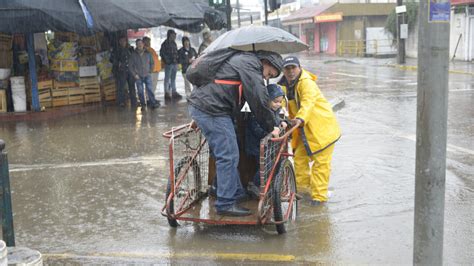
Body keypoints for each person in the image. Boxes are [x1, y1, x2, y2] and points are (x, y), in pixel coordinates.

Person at [188, 50, 285, 216]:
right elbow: (259, 100)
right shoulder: (250, 65)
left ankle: (226, 190)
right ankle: (225, 203)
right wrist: (272, 126)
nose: (267, 78)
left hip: (206, 107)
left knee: (224, 152)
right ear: (265, 62)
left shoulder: (240, 61)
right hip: (212, 109)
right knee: (229, 154)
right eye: (269, 74)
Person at [278, 56, 341, 206]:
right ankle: (303, 192)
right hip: (305, 132)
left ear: (299, 68)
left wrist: (299, 119)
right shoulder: (284, 86)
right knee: (299, 160)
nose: (291, 71)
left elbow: (308, 102)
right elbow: (280, 102)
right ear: (283, 71)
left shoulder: (306, 83)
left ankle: (319, 198)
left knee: (321, 164)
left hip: (322, 130)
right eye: (287, 69)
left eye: (293, 68)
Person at [245, 84, 288, 199]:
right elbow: (256, 129)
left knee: (269, 162)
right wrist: (268, 134)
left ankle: (265, 184)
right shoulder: (258, 112)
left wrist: (282, 122)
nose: (278, 104)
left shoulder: (274, 110)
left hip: (265, 144)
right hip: (255, 144)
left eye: (280, 102)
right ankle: (255, 184)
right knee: (264, 164)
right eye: (275, 101)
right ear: (267, 100)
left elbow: (276, 119)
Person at [129, 39, 160, 109]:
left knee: (150, 90)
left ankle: (152, 103)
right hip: (138, 76)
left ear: (143, 44)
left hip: (147, 75)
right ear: (136, 45)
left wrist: (150, 71)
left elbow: (152, 63)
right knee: (140, 91)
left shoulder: (148, 53)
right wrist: (135, 74)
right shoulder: (133, 55)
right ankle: (143, 104)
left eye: (141, 43)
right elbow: (130, 66)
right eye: (138, 44)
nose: (140, 45)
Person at [110, 36, 137, 107]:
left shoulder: (130, 49)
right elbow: (111, 59)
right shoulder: (116, 50)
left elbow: (134, 58)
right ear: (119, 42)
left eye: (124, 41)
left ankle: (134, 101)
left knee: (132, 86)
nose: (123, 42)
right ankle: (120, 102)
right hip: (121, 71)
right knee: (121, 87)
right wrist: (118, 63)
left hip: (130, 71)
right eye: (121, 41)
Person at [160, 29, 181, 100]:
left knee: (173, 79)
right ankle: (167, 93)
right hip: (169, 64)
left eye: (175, 35)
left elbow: (176, 53)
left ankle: (174, 92)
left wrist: (177, 61)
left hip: (174, 63)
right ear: (170, 35)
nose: (174, 36)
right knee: (167, 79)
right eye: (173, 35)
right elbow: (162, 53)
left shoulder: (174, 43)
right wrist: (167, 61)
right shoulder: (165, 44)